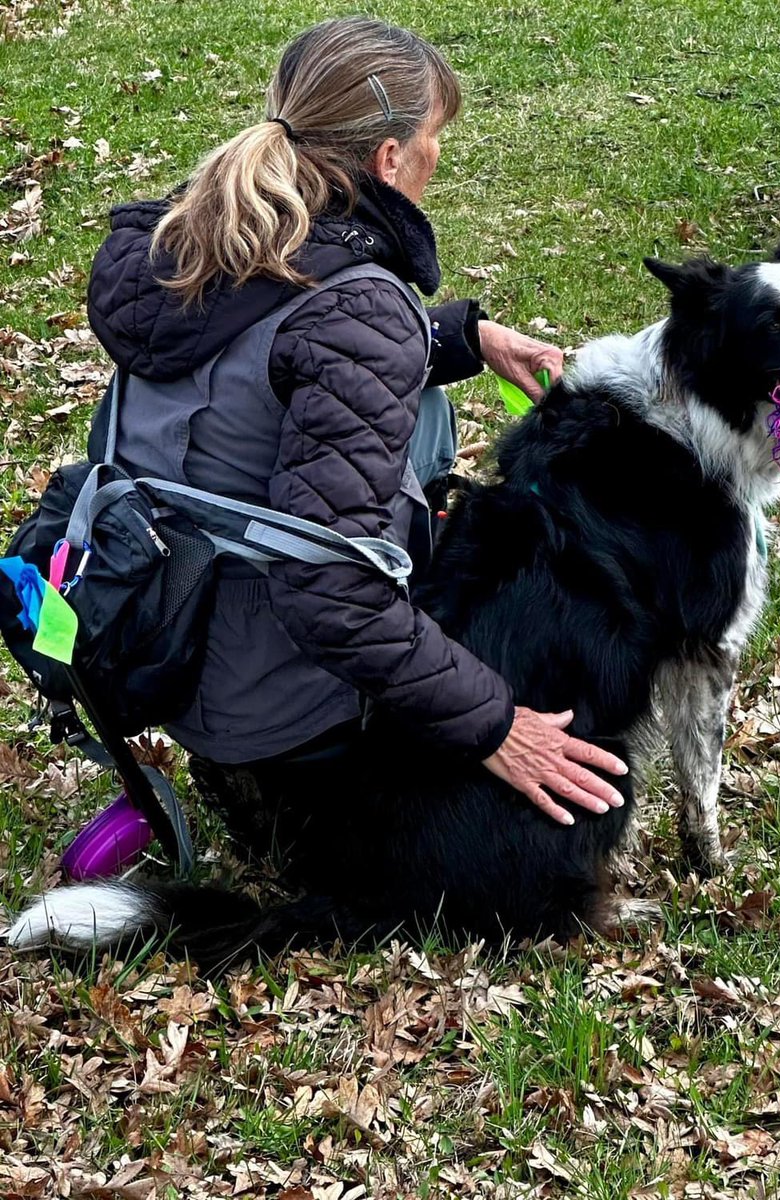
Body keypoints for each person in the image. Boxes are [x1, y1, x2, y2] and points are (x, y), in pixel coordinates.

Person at [85, 15, 627, 856]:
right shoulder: (359, 308)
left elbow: (258, 355)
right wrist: (492, 723)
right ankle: (298, 794)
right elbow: (329, 593)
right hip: (285, 712)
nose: (437, 158)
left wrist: (457, 339)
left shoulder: (194, 234)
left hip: (173, 657)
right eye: (434, 138)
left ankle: (253, 779)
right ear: (387, 157)